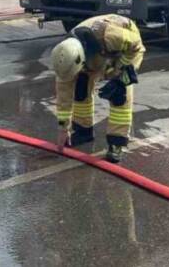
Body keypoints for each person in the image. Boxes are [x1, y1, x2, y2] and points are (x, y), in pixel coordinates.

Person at [50, 14, 145, 163]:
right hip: (95, 56)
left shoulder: (111, 36)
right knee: (80, 89)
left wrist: (121, 71)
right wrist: (63, 128)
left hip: (124, 50)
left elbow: (137, 47)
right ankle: (83, 131)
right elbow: (64, 95)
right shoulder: (66, 56)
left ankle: (116, 143)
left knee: (119, 94)